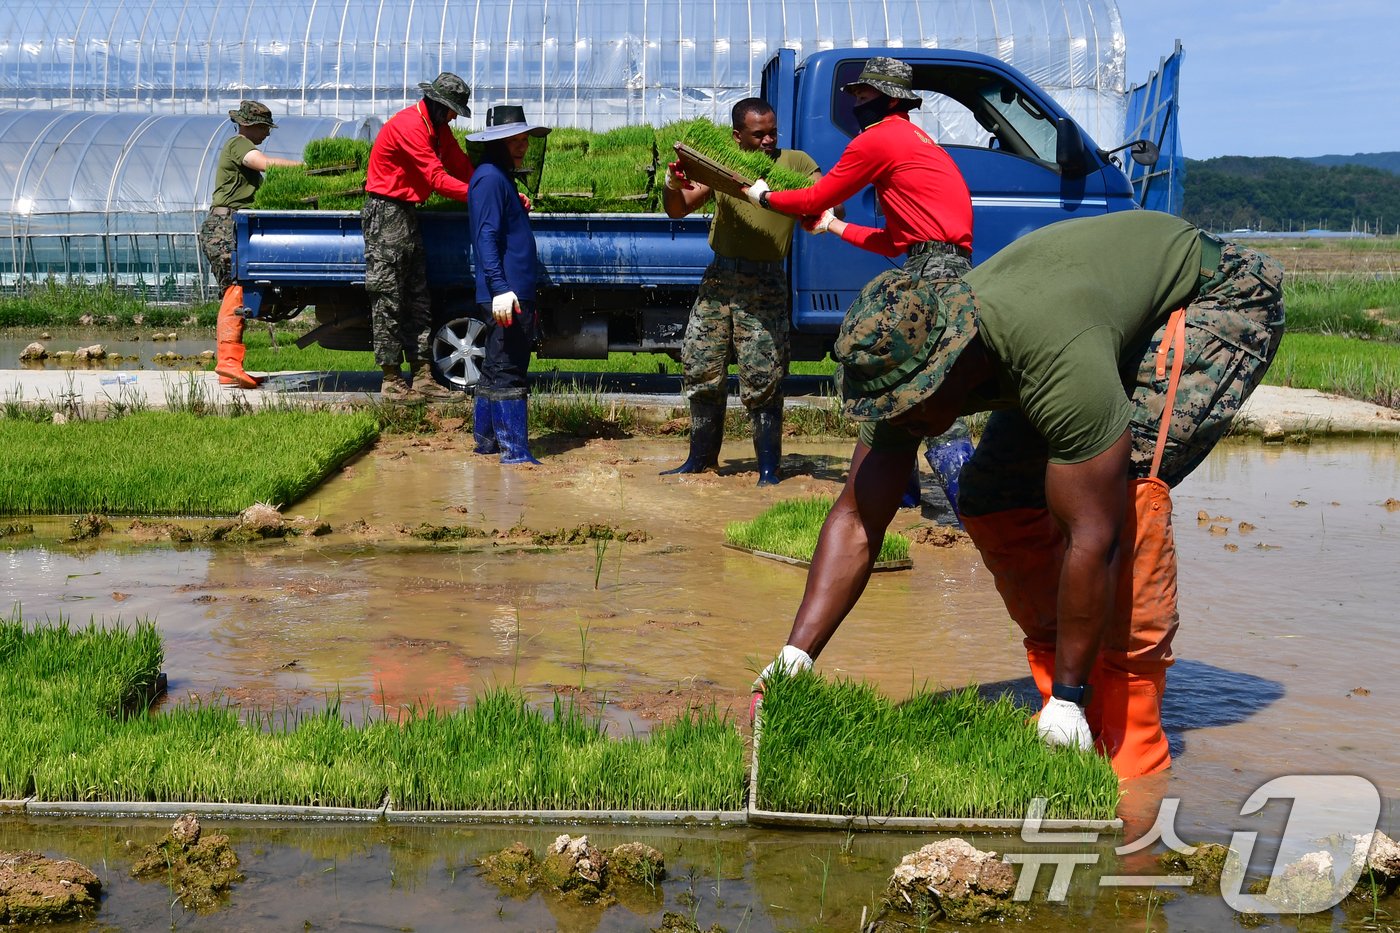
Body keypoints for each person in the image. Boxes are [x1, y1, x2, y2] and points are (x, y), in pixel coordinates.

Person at [754, 210, 1285, 781]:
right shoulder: (902, 357)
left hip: (1216, 294)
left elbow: (1095, 536)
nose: (899, 420)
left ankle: (1127, 738)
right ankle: (1063, 681)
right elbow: (859, 518)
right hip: (1090, 312)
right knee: (991, 496)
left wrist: (1068, 699)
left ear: (947, 368)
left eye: (908, 404)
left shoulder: (1053, 353)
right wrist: (794, 658)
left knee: (1125, 493)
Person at [741, 57, 975, 501]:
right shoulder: (919, 141)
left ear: (890, 100)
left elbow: (817, 194)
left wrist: (765, 196)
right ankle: (898, 500)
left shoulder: (880, 140)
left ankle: (969, 510)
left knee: (924, 385)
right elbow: (892, 242)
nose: (855, 104)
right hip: (946, 266)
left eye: (863, 95)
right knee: (892, 382)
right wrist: (832, 226)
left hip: (932, 275)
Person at [658, 99, 820, 485]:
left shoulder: (796, 163)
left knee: (763, 375)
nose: (768, 140)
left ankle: (768, 470)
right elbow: (677, 209)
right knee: (701, 367)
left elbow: (833, 204)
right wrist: (672, 184)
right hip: (719, 281)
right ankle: (699, 461)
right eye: (758, 133)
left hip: (764, 284)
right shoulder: (723, 165)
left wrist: (774, 191)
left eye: (772, 132)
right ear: (737, 136)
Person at [362, 72, 475, 402]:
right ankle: (392, 380)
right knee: (388, 299)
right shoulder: (410, 126)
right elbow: (438, 179)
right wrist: (481, 196)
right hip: (386, 215)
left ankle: (423, 377)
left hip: (406, 214)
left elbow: (459, 165)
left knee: (417, 298)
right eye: (452, 110)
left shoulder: (438, 130)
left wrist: (489, 185)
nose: (454, 116)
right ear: (438, 105)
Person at [467, 105, 551, 465]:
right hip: (507, 295)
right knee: (509, 368)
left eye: (524, 139)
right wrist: (501, 287)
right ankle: (515, 453)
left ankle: (486, 445)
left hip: (509, 291)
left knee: (494, 366)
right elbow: (486, 236)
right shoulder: (489, 178)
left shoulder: (499, 179)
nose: (522, 146)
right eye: (513, 140)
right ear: (495, 143)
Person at [199, 100, 301, 389]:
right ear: (250, 125)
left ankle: (228, 366)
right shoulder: (238, 144)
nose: (267, 134)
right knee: (237, 290)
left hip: (230, 226)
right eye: (264, 128)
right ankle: (229, 362)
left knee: (235, 291)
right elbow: (263, 163)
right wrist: (306, 169)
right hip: (225, 227)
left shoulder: (242, 145)